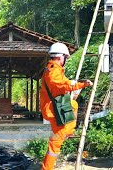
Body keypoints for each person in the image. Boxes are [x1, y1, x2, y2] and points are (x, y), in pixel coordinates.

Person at [40, 42, 93, 170]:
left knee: (73, 104)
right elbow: (62, 85)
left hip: (55, 107)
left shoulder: (54, 69)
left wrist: (74, 85)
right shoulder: (52, 71)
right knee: (55, 144)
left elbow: (62, 84)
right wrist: (81, 84)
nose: (65, 60)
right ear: (60, 57)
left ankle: (68, 132)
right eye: (65, 57)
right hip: (53, 109)